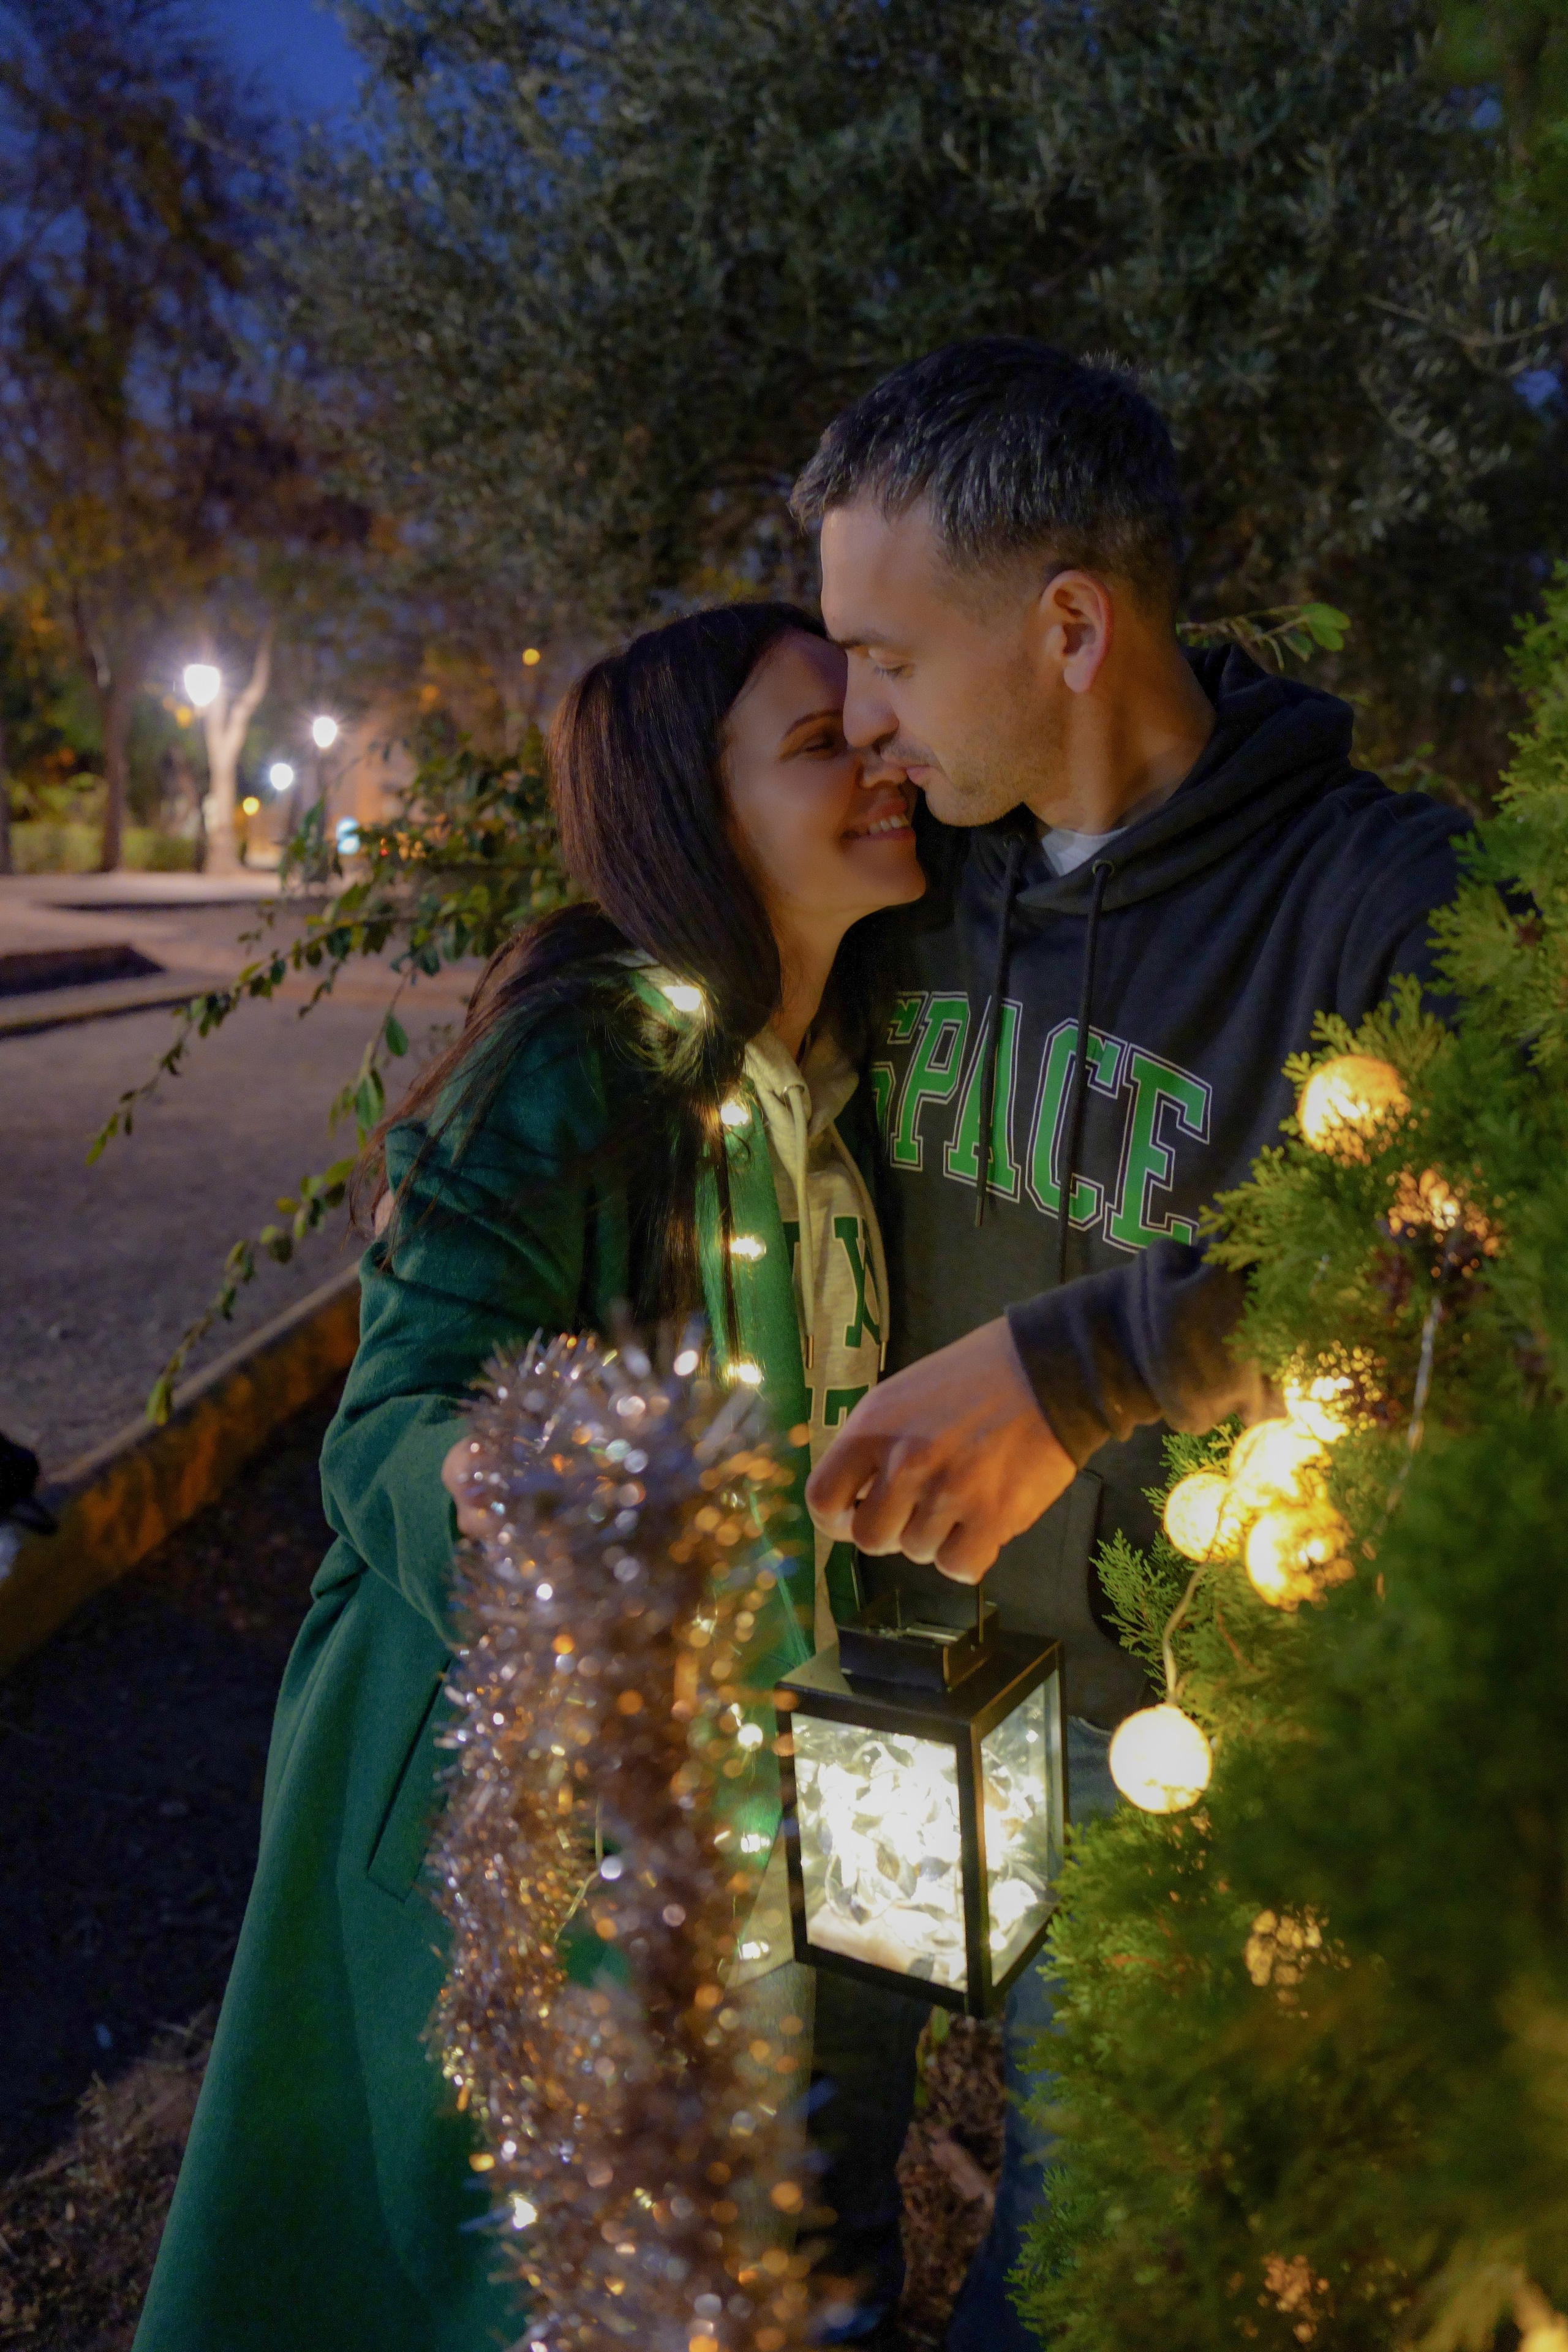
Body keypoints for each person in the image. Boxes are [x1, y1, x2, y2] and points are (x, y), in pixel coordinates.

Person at [133, 603, 924, 2352]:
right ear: (687, 814)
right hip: (528, 1801)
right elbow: (392, 1413)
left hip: (775, 1786)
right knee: (514, 2264)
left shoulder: (858, 1068)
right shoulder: (584, 1066)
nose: (881, 758)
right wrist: (532, 1488)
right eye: (819, 745)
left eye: (872, 723)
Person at [793, 339, 1469, 2349]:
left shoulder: (1375, 900)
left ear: (1071, 625)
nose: (858, 714)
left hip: (1174, 1761)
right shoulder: (907, 882)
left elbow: (1466, 1239)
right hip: (875, 1689)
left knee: (1095, 2283)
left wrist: (1078, 1372)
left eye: (890, 656)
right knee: (787, 2214)